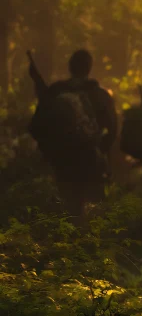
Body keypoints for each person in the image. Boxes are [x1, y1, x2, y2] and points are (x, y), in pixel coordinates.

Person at [29, 49, 117, 216]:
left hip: (63, 158)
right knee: (92, 208)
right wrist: (101, 150)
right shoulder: (101, 95)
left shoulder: (56, 92)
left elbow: (36, 126)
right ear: (89, 68)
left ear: (70, 67)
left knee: (67, 203)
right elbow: (112, 130)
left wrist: (50, 151)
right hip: (91, 156)